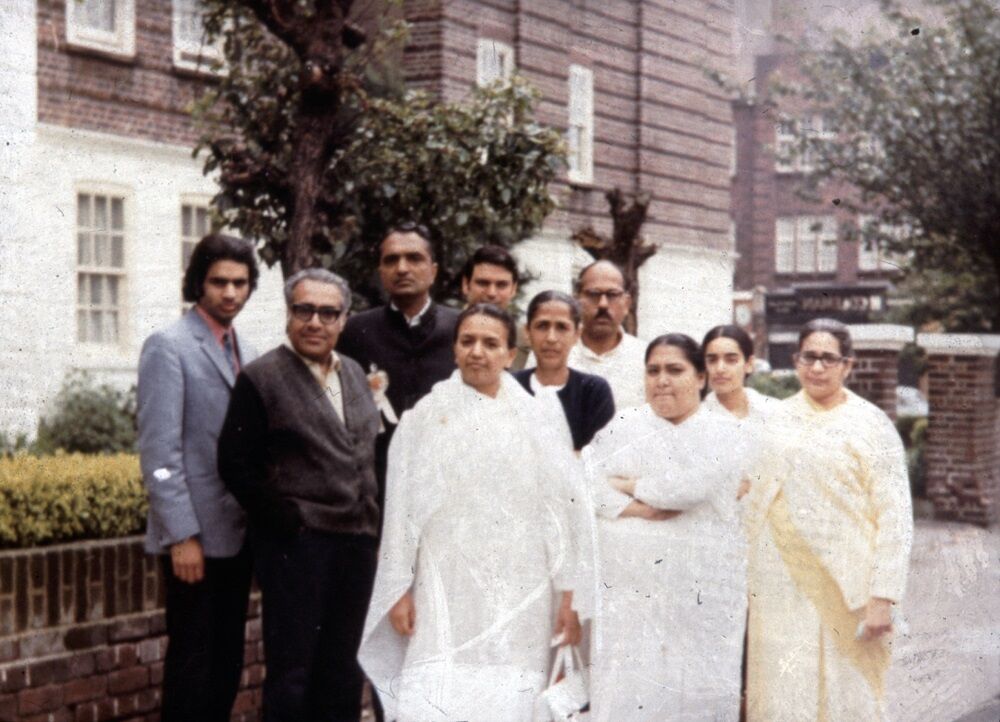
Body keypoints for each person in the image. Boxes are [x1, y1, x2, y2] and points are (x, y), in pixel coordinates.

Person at [359, 304, 595, 722]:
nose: (477, 352)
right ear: (454, 349)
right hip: (445, 586)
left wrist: (569, 593)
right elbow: (400, 512)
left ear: (511, 354)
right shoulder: (426, 418)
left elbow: (564, 509)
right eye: (467, 341)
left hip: (523, 589)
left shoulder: (539, 418)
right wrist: (399, 589)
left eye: (491, 343)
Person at [218, 269, 381, 721]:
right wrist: (287, 520)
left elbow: (367, 451)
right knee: (293, 673)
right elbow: (234, 464)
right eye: (304, 310)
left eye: (328, 313)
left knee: (344, 669)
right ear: (289, 314)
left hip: (357, 546)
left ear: (343, 320)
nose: (315, 322)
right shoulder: (261, 378)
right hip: (298, 549)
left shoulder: (351, 371)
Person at [744, 318, 913, 722]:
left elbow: (895, 516)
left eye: (828, 359)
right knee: (785, 694)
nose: (817, 368)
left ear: (847, 365)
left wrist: (882, 598)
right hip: (779, 586)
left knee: (848, 696)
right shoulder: (776, 421)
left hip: (849, 588)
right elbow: (754, 501)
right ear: (796, 360)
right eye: (808, 357)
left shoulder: (871, 424)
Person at [584, 334, 748, 721]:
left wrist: (628, 485)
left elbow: (687, 489)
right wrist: (637, 510)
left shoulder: (724, 433)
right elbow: (586, 482)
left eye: (675, 370)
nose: (662, 380)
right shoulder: (624, 426)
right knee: (630, 693)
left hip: (702, 595)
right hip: (632, 596)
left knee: (696, 695)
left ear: (701, 378)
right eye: (653, 370)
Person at [136, 233, 259, 722]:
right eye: (219, 282)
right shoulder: (168, 346)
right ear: (198, 283)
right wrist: (181, 534)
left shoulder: (245, 347)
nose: (230, 292)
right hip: (195, 542)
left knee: (227, 663)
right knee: (192, 665)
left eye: (240, 283)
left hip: (238, 536)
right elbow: (159, 450)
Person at [337, 222, 459, 516]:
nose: (402, 268)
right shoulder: (354, 332)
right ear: (380, 272)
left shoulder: (461, 330)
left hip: (447, 489)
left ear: (433, 270)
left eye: (414, 258)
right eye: (391, 260)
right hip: (374, 491)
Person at [514, 290, 615, 451]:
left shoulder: (593, 391)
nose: (551, 338)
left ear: (577, 334)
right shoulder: (509, 385)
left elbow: (600, 458)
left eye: (561, 327)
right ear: (527, 332)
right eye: (542, 326)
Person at [567, 260, 647, 410]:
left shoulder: (645, 358)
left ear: (627, 304)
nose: (603, 304)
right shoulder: (553, 352)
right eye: (593, 294)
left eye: (612, 295)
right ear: (577, 300)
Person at [460, 244, 531, 369]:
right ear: (466, 285)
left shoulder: (524, 341)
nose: (491, 293)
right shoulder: (443, 331)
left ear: (513, 289)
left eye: (501, 285)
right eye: (483, 283)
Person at [701, 324, 781, 422]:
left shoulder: (775, 412)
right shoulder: (695, 419)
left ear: (749, 364)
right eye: (712, 360)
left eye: (731, 360)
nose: (720, 369)